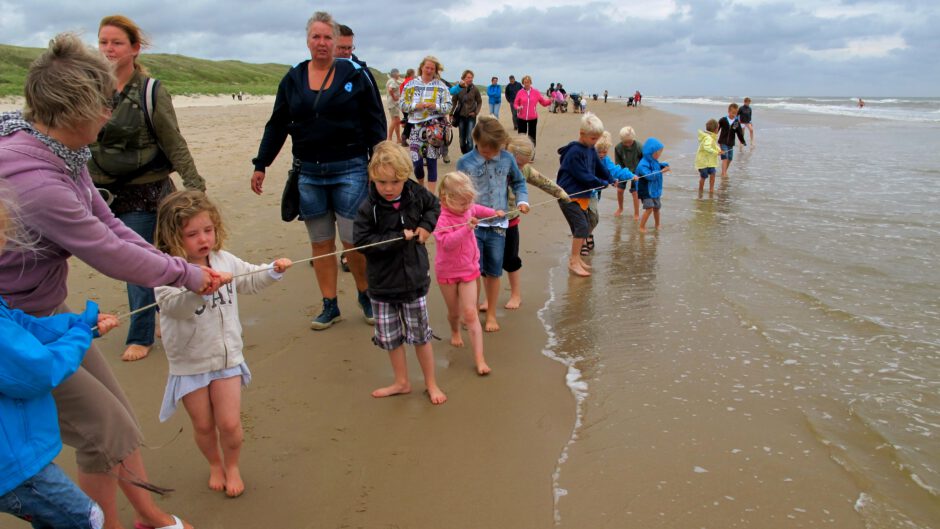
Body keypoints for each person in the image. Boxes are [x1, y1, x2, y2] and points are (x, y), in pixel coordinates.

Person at [0, 33, 222, 529]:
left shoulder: (61, 153)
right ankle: (123, 522)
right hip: (14, 327)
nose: (110, 113)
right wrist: (187, 274)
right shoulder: (35, 179)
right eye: (105, 103)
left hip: (46, 312)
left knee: (117, 419)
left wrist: (184, 268)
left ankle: (142, 515)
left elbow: (111, 225)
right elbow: (107, 253)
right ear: (75, 109)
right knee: (105, 429)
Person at [251, 11, 385, 331]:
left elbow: (375, 121)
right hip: (308, 173)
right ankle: (330, 305)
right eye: (316, 37)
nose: (322, 43)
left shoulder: (355, 75)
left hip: (351, 168)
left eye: (328, 37)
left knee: (353, 240)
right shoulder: (293, 78)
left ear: (337, 41)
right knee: (321, 243)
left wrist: (378, 163)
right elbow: (278, 124)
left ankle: (365, 295)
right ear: (307, 40)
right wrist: (261, 164)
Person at [153, 190, 291, 498]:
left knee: (229, 424)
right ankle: (214, 463)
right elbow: (172, 308)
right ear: (173, 236)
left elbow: (251, 279)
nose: (203, 239)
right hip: (190, 363)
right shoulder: (167, 271)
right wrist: (198, 288)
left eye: (208, 230)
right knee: (203, 426)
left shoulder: (223, 259)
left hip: (227, 357)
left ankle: (232, 465)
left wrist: (272, 270)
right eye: (192, 234)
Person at [91, 15, 207, 363]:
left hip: (147, 192)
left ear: (134, 48)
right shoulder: (90, 88)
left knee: (138, 262)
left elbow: (174, 141)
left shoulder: (150, 90)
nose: (108, 49)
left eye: (116, 43)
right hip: (102, 194)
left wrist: (195, 187)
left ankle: (141, 335)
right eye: (103, 42)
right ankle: (162, 312)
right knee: (145, 260)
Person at [0, 194, 118, 529]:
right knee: (88, 518)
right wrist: (78, 337)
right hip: (15, 468)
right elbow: (38, 370)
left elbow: (21, 327)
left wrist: (75, 323)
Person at [353, 141, 446, 404]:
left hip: (413, 281)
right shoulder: (367, 207)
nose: (389, 188)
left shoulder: (415, 193)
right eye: (382, 182)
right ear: (373, 178)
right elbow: (361, 242)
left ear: (405, 177)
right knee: (391, 339)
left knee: (420, 336)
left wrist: (426, 227)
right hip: (382, 287)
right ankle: (401, 381)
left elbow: (434, 207)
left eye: (395, 181)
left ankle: (431, 383)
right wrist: (396, 238)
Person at [456, 116, 529, 332]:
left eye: (494, 149)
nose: (490, 153)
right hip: (473, 225)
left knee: (495, 269)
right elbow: (456, 191)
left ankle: (491, 315)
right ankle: (472, 310)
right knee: (473, 270)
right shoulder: (465, 162)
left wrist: (522, 200)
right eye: (485, 149)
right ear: (475, 140)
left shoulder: (506, 159)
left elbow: (519, 182)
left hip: (499, 225)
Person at [434, 171, 504, 375]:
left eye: (468, 202)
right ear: (446, 199)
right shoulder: (442, 220)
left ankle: (480, 359)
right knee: (454, 313)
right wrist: (466, 228)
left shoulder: (468, 208)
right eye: (462, 203)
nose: (467, 207)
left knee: (470, 312)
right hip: (447, 272)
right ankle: (455, 330)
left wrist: (493, 212)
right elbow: (446, 244)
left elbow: (477, 209)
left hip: (468, 269)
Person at [504, 135, 569, 309]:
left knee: (511, 260)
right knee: (488, 262)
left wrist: (560, 193)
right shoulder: (497, 166)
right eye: (519, 163)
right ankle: (488, 298)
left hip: (510, 222)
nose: (521, 167)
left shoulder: (524, 170)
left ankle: (516, 294)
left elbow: (542, 181)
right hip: (489, 222)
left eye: (525, 163)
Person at [556, 113, 614, 277]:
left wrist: (610, 178)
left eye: (597, 138)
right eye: (593, 138)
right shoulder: (574, 151)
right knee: (581, 226)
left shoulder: (590, 149)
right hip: (569, 196)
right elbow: (582, 174)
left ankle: (576, 259)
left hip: (583, 196)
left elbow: (599, 167)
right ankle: (574, 261)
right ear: (582, 134)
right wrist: (600, 183)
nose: (595, 142)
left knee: (585, 224)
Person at [399, 56, 452, 194]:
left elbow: (448, 106)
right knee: (417, 163)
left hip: (434, 128)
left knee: (432, 161)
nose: (429, 70)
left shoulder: (441, 86)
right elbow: (402, 105)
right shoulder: (410, 85)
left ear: (436, 70)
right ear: (421, 67)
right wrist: (416, 106)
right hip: (415, 128)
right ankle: (421, 187)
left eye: (432, 68)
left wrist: (436, 106)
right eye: (427, 67)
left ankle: (431, 195)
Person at [591, 132, 634, 253]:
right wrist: (604, 181)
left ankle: (588, 235)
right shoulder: (588, 157)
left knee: (592, 216)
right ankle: (585, 238)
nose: (602, 154)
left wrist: (630, 175)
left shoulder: (605, 160)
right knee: (590, 216)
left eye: (604, 152)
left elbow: (614, 170)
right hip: (586, 191)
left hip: (597, 192)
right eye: (599, 151)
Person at [636, 137, 670, 233]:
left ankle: (657, 224)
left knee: (656, 207)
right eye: (659, 152)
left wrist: (663, 165)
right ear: (652, 152)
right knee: (649, 208)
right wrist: (661, 171)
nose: (660, 154)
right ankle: (641, 226)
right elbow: (649, 176)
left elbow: (657, 165)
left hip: (654, 189)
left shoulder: (653, 160)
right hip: (646, 189)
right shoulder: (642, 164)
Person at [513, 75, 551, 153]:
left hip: (533, 118)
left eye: (528, 82)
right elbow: (515, 104)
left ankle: (531, 153)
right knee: (521, 136)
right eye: (525, 82)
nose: (526, 84)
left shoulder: (536, 92)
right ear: (523, 83)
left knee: (532, 136)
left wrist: (551, 101)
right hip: (521, 118)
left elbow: (543, 103)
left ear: (531, 82)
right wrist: (518, 107)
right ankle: (521, 152)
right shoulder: (520, 92)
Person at [450, 69, 482, 155]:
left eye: (471, 77)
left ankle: (469, 157)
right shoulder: (459, 88)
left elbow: (479, 102)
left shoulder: (475, 89)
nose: (470, 79)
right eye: (468, 77)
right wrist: (451, 113)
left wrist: (476, 112)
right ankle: (465, 155)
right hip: (461, 117)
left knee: (469, 138)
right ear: (463, 78)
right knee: (461, 140)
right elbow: (454, 102)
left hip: (471, 117)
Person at [614, 126, 643, 219]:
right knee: (619, 190)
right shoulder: (618, 147)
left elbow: (644, 160)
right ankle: (620, 208)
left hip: (636, 171)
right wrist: (618, 175)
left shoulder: (639, 146)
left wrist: (642, 172)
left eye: (630, 142)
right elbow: (618, 163)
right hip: (624, 170)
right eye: (625, 142)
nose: (627, 144)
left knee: (635, 192)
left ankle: (636, 213)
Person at [717, 103, 746, 178]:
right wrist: (713, 136)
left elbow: (739, 132)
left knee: (730, 158)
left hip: (730, 143)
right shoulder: (723, 120)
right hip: (723, 142)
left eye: (735, 113)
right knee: (725, 157)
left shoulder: (736, 122)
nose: (734, 115)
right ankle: (723, 174)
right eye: (733, 113)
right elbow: (717, 129)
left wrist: (742, 141)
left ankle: (724, 171)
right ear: (728, 111)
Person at [695, 119, 721, 195]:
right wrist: (716, 152)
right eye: (718, 129)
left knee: (713, 174)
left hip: (710, 162)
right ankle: (700, 190)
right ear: (716, 129)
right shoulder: (708, 138)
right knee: (704, 176)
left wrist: (719, 150)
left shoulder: (711, 137)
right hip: (703, 162)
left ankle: (711, 190)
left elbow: (714, 145)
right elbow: (707, 147)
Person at [399, 68, 415, 144]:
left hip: (404, 106)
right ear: (412, 74)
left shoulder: (404, 81)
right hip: (409, 106)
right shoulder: (410, 82)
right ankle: (404, 137)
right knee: (410, 122)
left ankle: (405, 137)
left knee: (408, 121)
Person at [386, 68, 403, 142]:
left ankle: (398, 138)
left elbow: (401, 82)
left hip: (392, 104)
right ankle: (389, 138)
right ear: (395, 73)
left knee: (397, 120)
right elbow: (390, 89)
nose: (399, 74)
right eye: (398, 73)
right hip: (393, 103)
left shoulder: (391, 80)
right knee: (394, 120)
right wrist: (394, 97)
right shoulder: (392, 81)